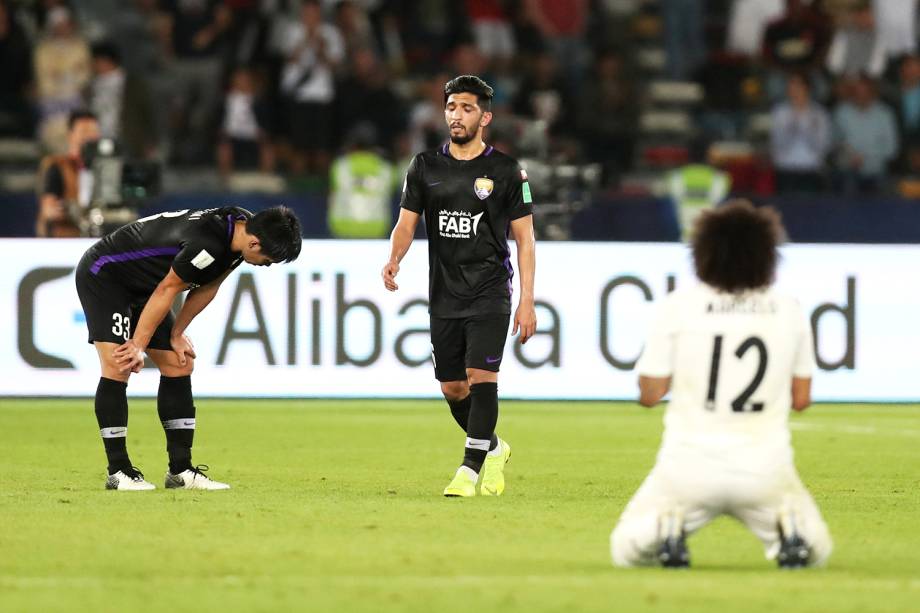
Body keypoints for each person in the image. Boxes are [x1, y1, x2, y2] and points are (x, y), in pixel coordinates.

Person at [610, 200, 832, 569]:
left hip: (688, 466)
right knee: (818, 551)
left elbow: (649, 394)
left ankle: (668, 528)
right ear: (767, 255)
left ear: (703, 252)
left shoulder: (678, 305)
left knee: (626, 549)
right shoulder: (788, 308)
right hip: (764, 467)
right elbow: (802, 398)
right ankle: (789, 529)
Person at [381, 75, 536, 497]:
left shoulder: (505, 171)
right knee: (452, 386)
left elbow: (525, 239)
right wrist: (395, 258)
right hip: (444, 293)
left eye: (467, 108)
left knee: (481, 375)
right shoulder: (424, 166)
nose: (456, 115)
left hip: (490, 291)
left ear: (485, 117)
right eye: (451, 107)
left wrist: (526, 301)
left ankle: (468, 469)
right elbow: (406, 223)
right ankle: (495, 447)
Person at [74, 205, 302, 490]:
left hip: (148, 287)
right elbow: (168, 289)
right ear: (255, 243)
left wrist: (177, 333)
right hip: (107, 276)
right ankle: (118, 471)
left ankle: (180, 471)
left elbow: (207, 286)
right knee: (119, 364)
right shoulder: (208, 242)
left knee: (179, 362)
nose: (265, 264)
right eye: (267, 259)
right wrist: (138, 345)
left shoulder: (242, 231)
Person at [36, 109, 100, 237]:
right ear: (71, 134)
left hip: (98, 240)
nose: (89, 137)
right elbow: (49, 210)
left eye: (93, 132)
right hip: (67, 239)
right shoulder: (57, 166)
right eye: (84, 132)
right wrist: (75, 211)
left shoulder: (105, 169)